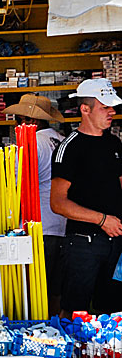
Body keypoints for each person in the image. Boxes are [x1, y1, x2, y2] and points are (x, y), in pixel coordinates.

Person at [51, 78, 122, 318]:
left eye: (112, 107)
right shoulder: (70, 147)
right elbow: (58, 202)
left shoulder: (114, 143)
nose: (112, 112)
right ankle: (68, 355)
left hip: (116, 240)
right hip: (83, 242)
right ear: (85, 109)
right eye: (105, 107)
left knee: (113, 313)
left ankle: (106, 356)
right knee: (74, 311)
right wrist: (102, 219)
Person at [5, 94, 67, 313]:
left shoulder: (33, 143)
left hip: (37, 224)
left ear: (32, 122)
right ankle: (56, 329)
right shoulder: (61, 140)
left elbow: (14, 184)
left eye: (17, 119)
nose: (15, 126)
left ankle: (37, 330)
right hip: (63, 225)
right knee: (55, 288)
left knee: (34, 289)